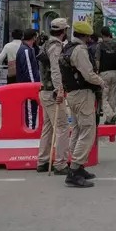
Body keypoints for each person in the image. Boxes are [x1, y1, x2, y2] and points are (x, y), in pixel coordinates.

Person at [60, 21, 106, 188]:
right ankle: (73, 171)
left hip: (72, 94)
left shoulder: (68, 48)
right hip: (83, 94)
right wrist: (101, 82)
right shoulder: (80, 50)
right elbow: (88, 74)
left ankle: (78, 167)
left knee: (78, 129)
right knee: (87, 131)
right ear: (86, 36)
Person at [36, 18, 70, 175]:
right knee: (63, 126)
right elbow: (56, 70)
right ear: (64, 31)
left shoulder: (45, 44)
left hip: (44, 90)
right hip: (52, 92)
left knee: (48, 127)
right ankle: (60, 163)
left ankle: (42, 160)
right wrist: (59, 90)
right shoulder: (56, 46)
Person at [16, 29, 40, 129]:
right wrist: (34, 87)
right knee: (30, 114)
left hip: (28, 86)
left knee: (31, 112)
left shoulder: (27, 49)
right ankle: (30, 133)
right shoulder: (25, 50)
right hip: (29, 88)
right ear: (33, 37)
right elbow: (29, 70)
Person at [95, 26, 116, 125]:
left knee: (103, 97)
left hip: (104, 73)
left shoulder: (100, 46)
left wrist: (96, 72)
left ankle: (111, 115)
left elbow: (97, 60)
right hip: (114, 72)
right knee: (112, 96)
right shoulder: (115, 45)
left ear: (102, 34)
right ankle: (110, 119)